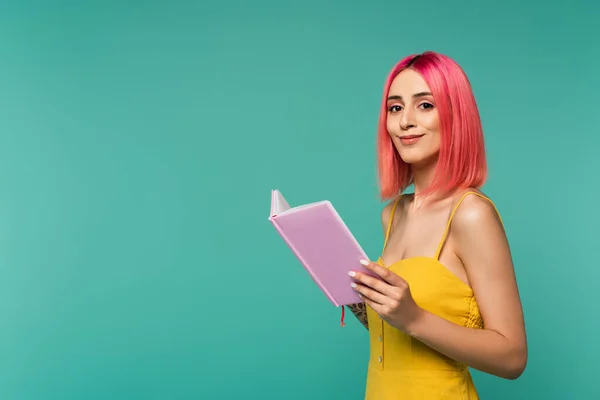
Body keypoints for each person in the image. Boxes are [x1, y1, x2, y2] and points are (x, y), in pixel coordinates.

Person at [346, 51, 528, 399]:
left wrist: (414, 317)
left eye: (425, 105)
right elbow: (401, 332)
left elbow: (513, 357)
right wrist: (364, 303)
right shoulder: (393, 213)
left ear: (455, 116)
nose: (405, 122)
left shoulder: (471, 214)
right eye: (395, 107)